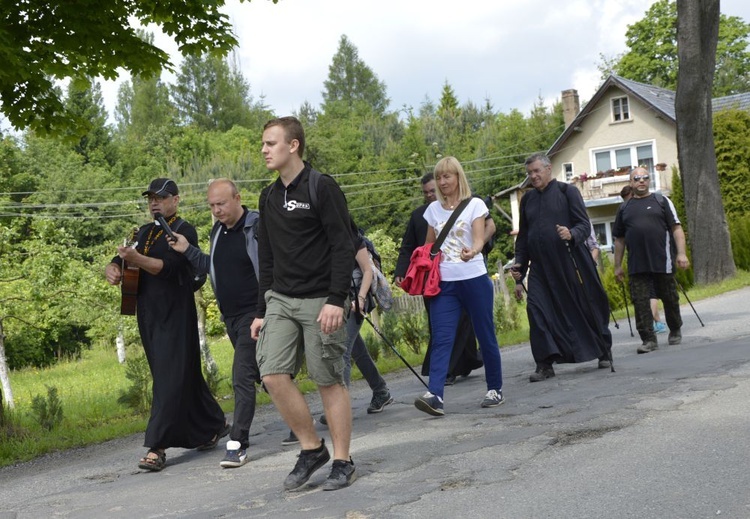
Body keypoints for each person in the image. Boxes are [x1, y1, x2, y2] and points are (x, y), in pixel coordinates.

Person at [250, 116, 357, 491]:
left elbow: (343, 246)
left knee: (328, 380)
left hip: (319, 301)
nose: (264, 150)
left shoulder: (321, 187)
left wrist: (335, 300)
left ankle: (342, 461)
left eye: (271, 143)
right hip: (280, 298)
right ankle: (312, 448)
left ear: (293, 145)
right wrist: (262, 310)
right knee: (272, 375)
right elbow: (267, 257)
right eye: (263, 144)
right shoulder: (268, 196)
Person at [104, 178, 228, 472]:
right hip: (147, 312)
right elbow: (120, 259)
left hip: (175, 311)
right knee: (178, 373)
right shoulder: (143, 231)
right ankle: (212, 424)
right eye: (150, 198)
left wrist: (137, 259)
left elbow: (167, 268)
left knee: (168, 376)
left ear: (176, 199)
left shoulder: (184, 230)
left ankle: (156, 447)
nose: (154, 202)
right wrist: (113, 268)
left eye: (160, 197)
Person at [168, 178, 260, 469]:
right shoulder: (217, 231)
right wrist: (186, 250)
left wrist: (267, 309)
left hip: (256, 313)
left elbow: (273, 265)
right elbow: (214, 267)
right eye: (212, 206)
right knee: (268, 375)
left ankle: (237, 443)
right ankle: (301, 422)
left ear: (238, 198)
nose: (217, 210)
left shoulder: (257, 226)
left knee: (242, 375)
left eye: (221, 204)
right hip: (230, 316)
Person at [413, 156, 505, 417]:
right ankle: (435, 395)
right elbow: (429, 247)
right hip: (444, 283)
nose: (442, 182)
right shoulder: (432, 211)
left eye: (447, 176)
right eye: (439, 177)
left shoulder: (474, 204)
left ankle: (495, 389)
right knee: (442, 338)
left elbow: (478, 239)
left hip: (474, 277)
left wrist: (473, 250)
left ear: (458, 178)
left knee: (485, 334)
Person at [511, 153, 612, 382]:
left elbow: (584, 225)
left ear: (549, 168)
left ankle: (603, 349)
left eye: (537, 171)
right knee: (536, 311)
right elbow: (524, 238)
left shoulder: (568, 192)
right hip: (540, 268)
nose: (533, 176)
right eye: (529, 173)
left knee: (586, 306)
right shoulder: (527, 200)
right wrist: (520, 269)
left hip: (569, 261)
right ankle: (544, 364)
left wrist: (571, 234)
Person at [394, 172, 491, 384]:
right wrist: (401, 270)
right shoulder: (422, 214)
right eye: (426, 192)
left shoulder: (469, 205)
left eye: (432, 190)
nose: (430, 194)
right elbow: (409, 246)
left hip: (466, 272)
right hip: (433, 277)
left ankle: (452, 369)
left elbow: (487, 228)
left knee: (465, 323)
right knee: (441, 325)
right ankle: (460, 366)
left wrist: (477, 248)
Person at [613, 167, 689, 353]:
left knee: (670, 297)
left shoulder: (661, 201)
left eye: (645, 178)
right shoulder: (624, 208)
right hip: (637, 264)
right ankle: (648, 339)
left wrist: (681, 253)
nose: (641, 181)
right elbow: (619, 240)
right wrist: (617, 266)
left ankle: (675, 328)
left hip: (663, 260)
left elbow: (677, 229)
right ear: (631, 183)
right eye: (637, 178)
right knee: (640, 301)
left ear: (649, 181)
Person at [620, 185, 666, 334]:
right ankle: (655, 321)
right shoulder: (625, 210)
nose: (627, 202)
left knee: (652, 293)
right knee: (644, 294)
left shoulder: (651, 204)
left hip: (654, 257)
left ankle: (653, 322)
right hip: (637, 259)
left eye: (629, 199)